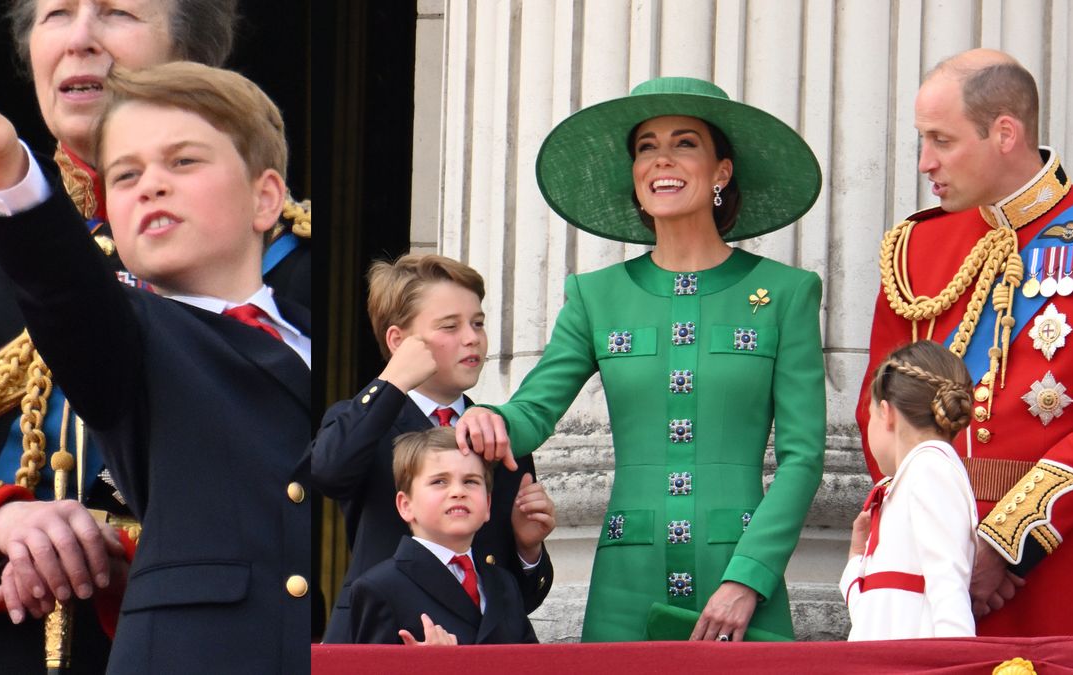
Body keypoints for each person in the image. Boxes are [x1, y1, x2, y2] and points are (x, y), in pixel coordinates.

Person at [0, 2, 322, 671]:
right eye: (56, 13)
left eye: (118, 12)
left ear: (190, 50)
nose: (80, 38)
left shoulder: (297, 270)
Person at [455, 77, 826, 642]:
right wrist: (490, 418)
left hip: (740, 572)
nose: (661, 160)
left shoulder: (785, 293)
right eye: (646, 147)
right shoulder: (595, 296)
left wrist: (749, 578)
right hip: (627, 575)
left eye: (685, 143)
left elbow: (803, 456)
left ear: (722, 171)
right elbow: (534, 411)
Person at [856, 48, 1073, 637]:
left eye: (941, 140)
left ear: (1004, 133)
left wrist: (1006, 542)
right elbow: (880, 409)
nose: (925, 162)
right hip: (926, 558)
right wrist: (931, 529)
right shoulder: (914, 249)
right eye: (922, 140)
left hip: (1062, 557)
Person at [310, 253, 554, 643]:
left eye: (478, 323)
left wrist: (528, 549)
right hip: (382, 639)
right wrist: (392, 380)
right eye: (450, 326)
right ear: (398, 341)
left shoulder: (496, 431)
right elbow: (328, 471)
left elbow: (514, 599)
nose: (472, 338)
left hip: (481, 651)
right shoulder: (363, 421)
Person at [347, 427, 539, 645]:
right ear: (405, 505)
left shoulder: (503, 583)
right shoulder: (380, 586)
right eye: (439, 481)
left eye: (470, 481)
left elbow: (532, 660)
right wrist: (429, 663)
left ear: (487, 505)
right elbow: (369, 662)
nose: (458, 492)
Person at [842, 340, 978, 640]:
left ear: (886, 413)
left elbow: (949, 595)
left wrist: (957, 660)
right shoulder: (912, 477)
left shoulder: (931, 469)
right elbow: (876, 615)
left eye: (869, 414)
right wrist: (856, 562)